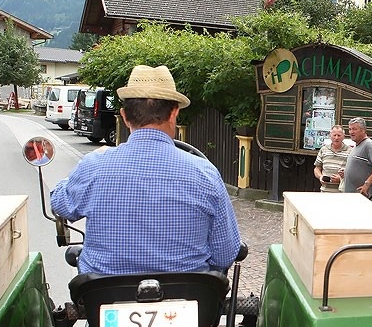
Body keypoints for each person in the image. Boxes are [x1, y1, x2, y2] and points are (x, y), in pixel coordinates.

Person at [50, 65, 242, 275]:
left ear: (124, 116)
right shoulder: (205, 173)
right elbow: (225, 254)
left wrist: (83, 169)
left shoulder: (94, 165)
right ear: (174, 113)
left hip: (101, 291)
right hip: (188, 291)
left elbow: (60, 205)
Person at [341, 117, 372, 197]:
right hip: (351, 196)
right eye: (350, 129)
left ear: (363, 130)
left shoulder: (368, 144)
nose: (351, 132)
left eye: (354, 129)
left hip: (362, 197)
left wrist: (367, 184)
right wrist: (345, 172)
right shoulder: (356, 146)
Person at [313, 125, 350, 192]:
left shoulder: (350, 151)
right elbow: (317, 168)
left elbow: (353, 172)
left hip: (341, 192)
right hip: (325, 191)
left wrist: (341, 179)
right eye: (334, 135)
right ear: (330, 136)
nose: (336, 138)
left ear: (343, 137)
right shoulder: (323, 149)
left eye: (339, 135)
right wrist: (320, 176)